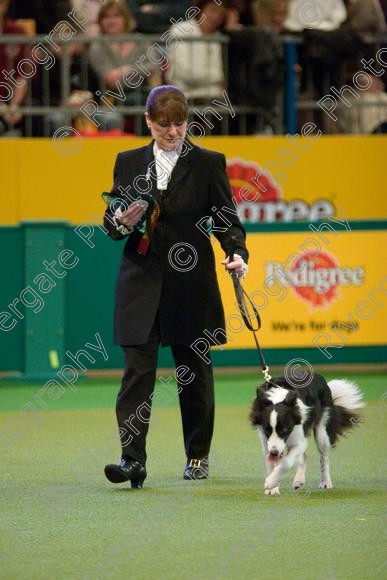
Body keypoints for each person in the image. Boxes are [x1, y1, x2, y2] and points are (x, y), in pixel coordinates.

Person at [103, 85, 248, 488]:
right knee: (137, 373)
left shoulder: (207, 163)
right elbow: (111, 218)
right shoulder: (128, 161)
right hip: (141, 281)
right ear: (149, 122)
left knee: (194, 372)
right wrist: (120, 221)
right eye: (164, 125)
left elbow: (226, 220)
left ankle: (197, 457)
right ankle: (132, 460)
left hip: (190, 282)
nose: (172, 132)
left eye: (179, 124)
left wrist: (237, 252)